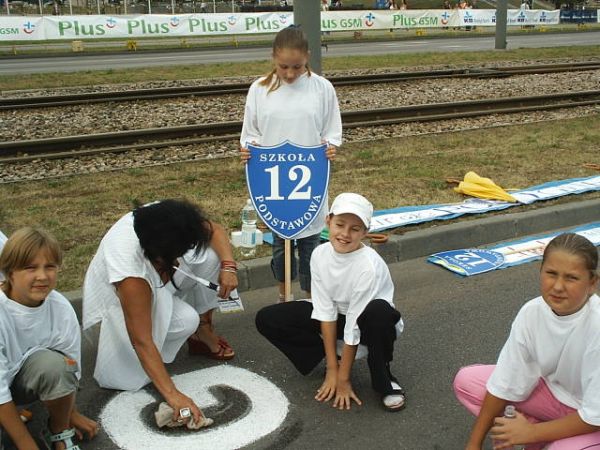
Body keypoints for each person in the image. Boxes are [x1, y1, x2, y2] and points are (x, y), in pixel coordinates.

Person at [82, 199, 238, 426]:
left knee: (210, 255)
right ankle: (150, 359)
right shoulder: (130, 271)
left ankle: (201, 332)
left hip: (154, 276)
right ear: (157, 257)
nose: (178, 261)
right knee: (182, 322)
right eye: (174, 256)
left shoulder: (164, 217)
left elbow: (212, 230)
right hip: (117, 306)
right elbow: (141, 340)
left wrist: (229, 266)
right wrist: (174, 395)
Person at [255, 193, 406, 412]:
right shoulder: (319, 254)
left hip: (370, 324)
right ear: (328, 222)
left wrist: (344, 379)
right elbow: (324, 310)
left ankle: (383, 377)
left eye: (355, 229)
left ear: (365, 232)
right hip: (338, 317)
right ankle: (330, 356)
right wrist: (332, 370)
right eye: (340, 224)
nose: (345, 234)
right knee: (268, 318)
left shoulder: (369, 266)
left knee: (378, 312)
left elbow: (354, 321)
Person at [454, 233, 600, 449]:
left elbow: (594, 416)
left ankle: (544, 436)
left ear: (592, 283)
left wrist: (530, 433)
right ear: (540, 272)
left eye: (571, 278)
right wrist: (473, 445)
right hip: (555, 396)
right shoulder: (531, 312)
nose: (558, 286)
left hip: (593, 418)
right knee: (467, 382)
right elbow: (505, 381)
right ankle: (544, 433)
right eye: (551, 273)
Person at [240, 26, 342, 302]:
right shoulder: (259, 90)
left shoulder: (322, 88)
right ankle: (284, 297)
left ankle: (311, 299)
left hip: (309, 182)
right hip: (274, 184)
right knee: (280, 246)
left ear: (307, 57)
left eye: (297, 66)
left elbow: (332, 130)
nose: (289, 73)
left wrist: (331, 147)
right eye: (283, 66)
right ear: (273, 57)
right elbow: (250, 134)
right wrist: (248, 151)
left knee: (311, 244)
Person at [0, 227, 98, 450]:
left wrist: (68, 414)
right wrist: (27, 444)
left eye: (50, 267)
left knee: (59, 366)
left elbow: (71, 369)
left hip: (15, 380)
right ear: (9, 272)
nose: (42, 276)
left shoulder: (60, 308)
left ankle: (58, 432)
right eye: (30, 268)